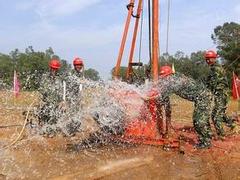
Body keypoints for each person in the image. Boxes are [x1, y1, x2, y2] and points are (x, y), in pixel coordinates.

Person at [154, 65, 213, 149]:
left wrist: (149, 98)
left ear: (170, 75)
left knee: (198, 121)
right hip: (201, 97)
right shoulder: (174, 78)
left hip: (203, 97)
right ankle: (207, 137)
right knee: (202, 119)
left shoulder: (175, 81)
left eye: (165, 78)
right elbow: (164, 96)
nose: (164, 80)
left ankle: (206, 143)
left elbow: (163, 96)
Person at [204, 50, 235, 137]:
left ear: (214, 58)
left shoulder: (216, 69)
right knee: (220, 113)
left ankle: (221, 135)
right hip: (221, 94)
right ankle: (232, 125)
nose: (208, 61)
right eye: (206, 59)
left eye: (209, 59)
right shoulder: (215, 68)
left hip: (221, 94)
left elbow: (212, 84)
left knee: (215, 115)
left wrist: (206, 92)